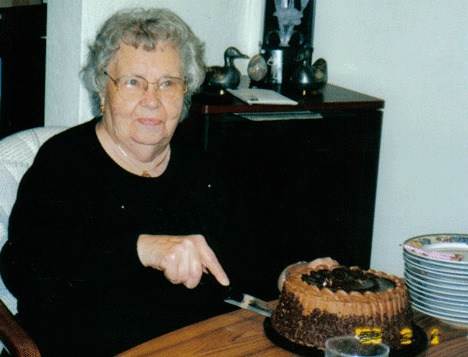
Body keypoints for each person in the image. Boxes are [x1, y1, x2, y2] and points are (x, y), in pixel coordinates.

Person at [0, 8, 234, 356]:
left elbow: (247, 253)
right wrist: (141, 249)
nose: (152, 100)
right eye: (133, 82)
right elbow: (28, 269)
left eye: (168, 83)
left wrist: (293, 272)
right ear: (102, 88)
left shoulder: (199, 165)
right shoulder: (63, 161)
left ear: (185, 91)